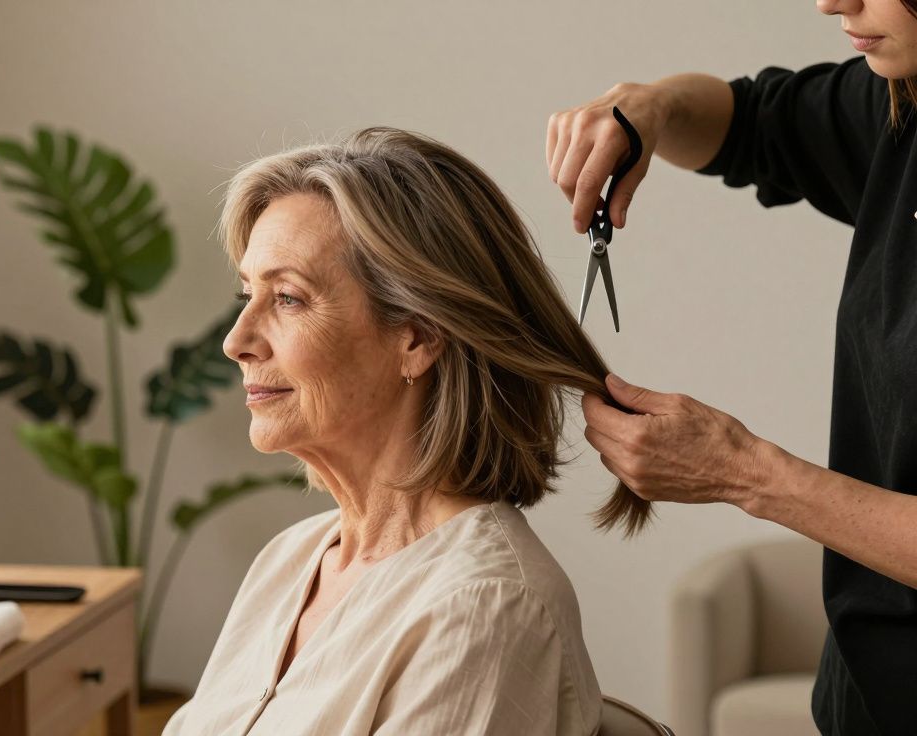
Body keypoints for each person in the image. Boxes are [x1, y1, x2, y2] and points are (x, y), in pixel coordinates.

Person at [163, 127, 637, 736]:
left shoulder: (484, 606)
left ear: (416, 337)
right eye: (246, 293)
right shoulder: (289, 561)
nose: (236, 341)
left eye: (287, 298)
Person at [547, 1, 917, 733]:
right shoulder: (899, 103)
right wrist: (647, 107)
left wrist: (745, 472)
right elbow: (744, 120)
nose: (833, 1)